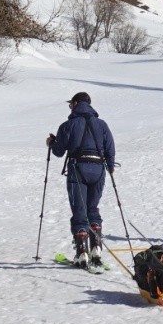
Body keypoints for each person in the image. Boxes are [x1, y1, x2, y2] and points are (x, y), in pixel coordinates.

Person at [47, 91, 116, 271]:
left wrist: (52, 143)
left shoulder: (67, 125)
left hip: (78, 168)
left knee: (80, 210)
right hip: (99, 170)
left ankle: (81, 253)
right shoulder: (102, 125)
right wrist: (109, 167)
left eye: (71, 104)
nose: (70, 107)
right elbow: (110, 147)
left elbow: (58, 152)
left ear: (76, 103)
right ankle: (96, 249)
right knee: (93, 208)